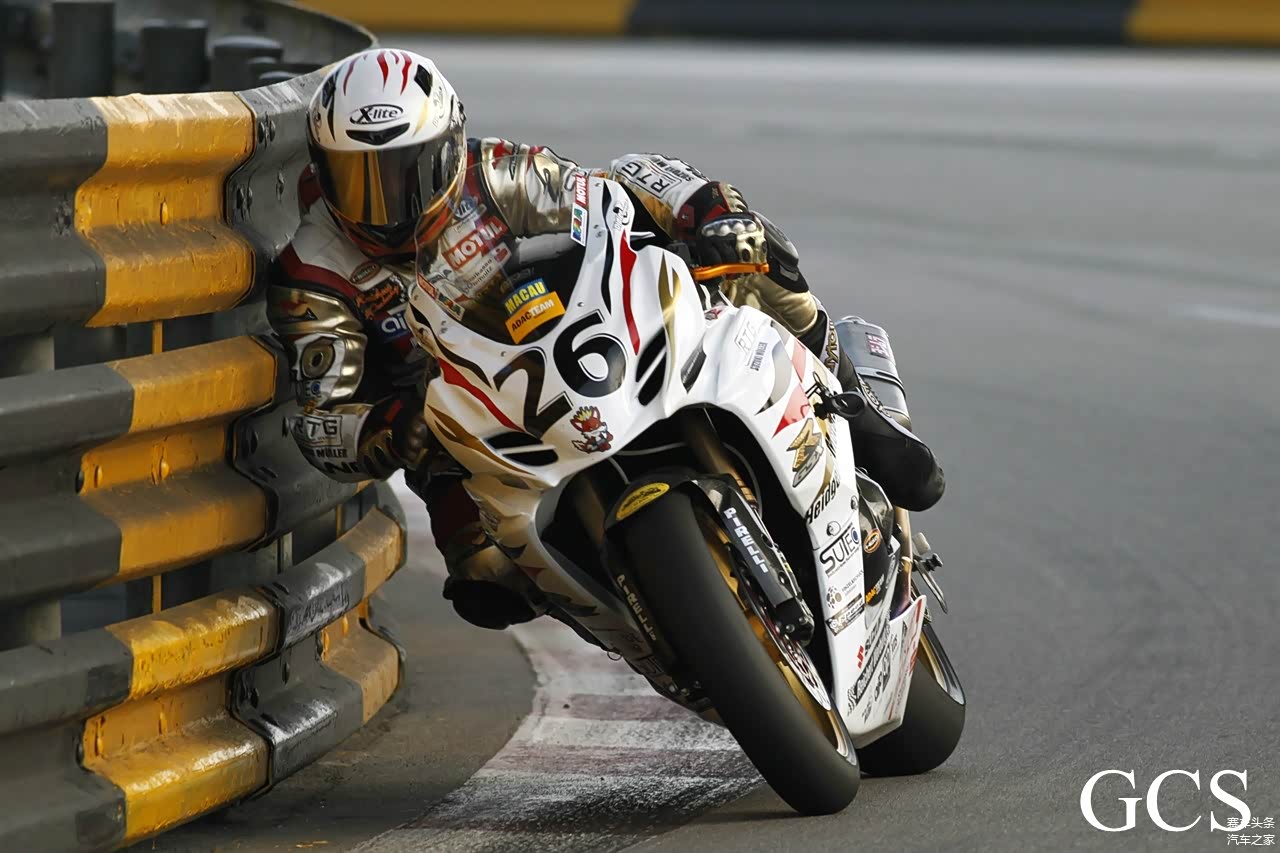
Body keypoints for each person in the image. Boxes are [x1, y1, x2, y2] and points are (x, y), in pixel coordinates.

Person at [267, 49, 943, 630]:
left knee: (749, 253)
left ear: (448, 148)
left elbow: (602, 197)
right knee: (486, 578)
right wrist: (384, 429)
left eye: (404, 173)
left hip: (585, 337)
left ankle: (858, 408)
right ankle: (644, 621)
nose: (386, 205)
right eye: (358, 180)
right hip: (467, 425)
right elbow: (321, 416)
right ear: (322, 172)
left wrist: (701, 216)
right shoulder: (313, 274)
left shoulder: (493, 173)